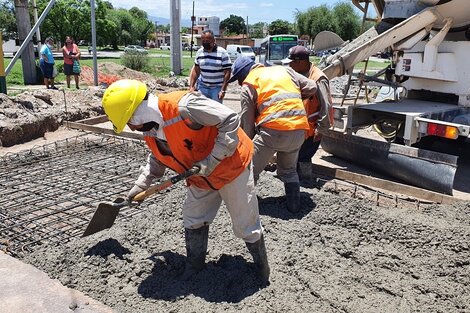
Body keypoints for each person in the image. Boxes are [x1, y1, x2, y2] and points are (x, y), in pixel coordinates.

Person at [101, 79, 270, 284]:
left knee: (245, 224)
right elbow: (158, 157)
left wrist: (213, 159)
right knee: (193, 217)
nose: (131, 126)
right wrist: (141, 184)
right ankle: (194, 267)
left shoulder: (184, 106)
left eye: (129, 121)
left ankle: (262, 271)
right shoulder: (150, 130)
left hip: (231, 168)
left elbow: (230, 119)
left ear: (138, 112)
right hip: (200, 177)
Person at [228, 57, 317, 213]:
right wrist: (294, 99)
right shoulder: (285, 70)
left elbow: (247, 125)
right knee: (289, 171)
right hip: (299, 129)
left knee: (249, 170)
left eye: (238, 79)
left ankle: (245, 208)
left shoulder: (249, 83)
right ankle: (294, 207)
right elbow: (312, 86)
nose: (239, 83)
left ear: (244, 73)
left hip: (273, 131)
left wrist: (244, 147)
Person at [282, 45, 334, 181]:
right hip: (299, 127)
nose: (290, 66)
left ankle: (306, 181)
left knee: (304, 156)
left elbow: (326, 105)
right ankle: (297, 180)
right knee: (295, 155)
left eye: (292, 63)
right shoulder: (298, 74)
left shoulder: (318, 78)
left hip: (312, 129)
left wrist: (321, 128)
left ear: (300, 62)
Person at [189, 30, 231, 103]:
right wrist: (191, 86)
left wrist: (223, 90)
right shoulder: (199, 52)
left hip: (217, 88)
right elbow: (196, 70)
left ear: (214, 40)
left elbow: (227, 72)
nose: (205, 43)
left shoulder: (222, 53)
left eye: (208, 40)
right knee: (202, 109)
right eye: (203, 41)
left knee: (215, 110)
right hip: (202, 87)